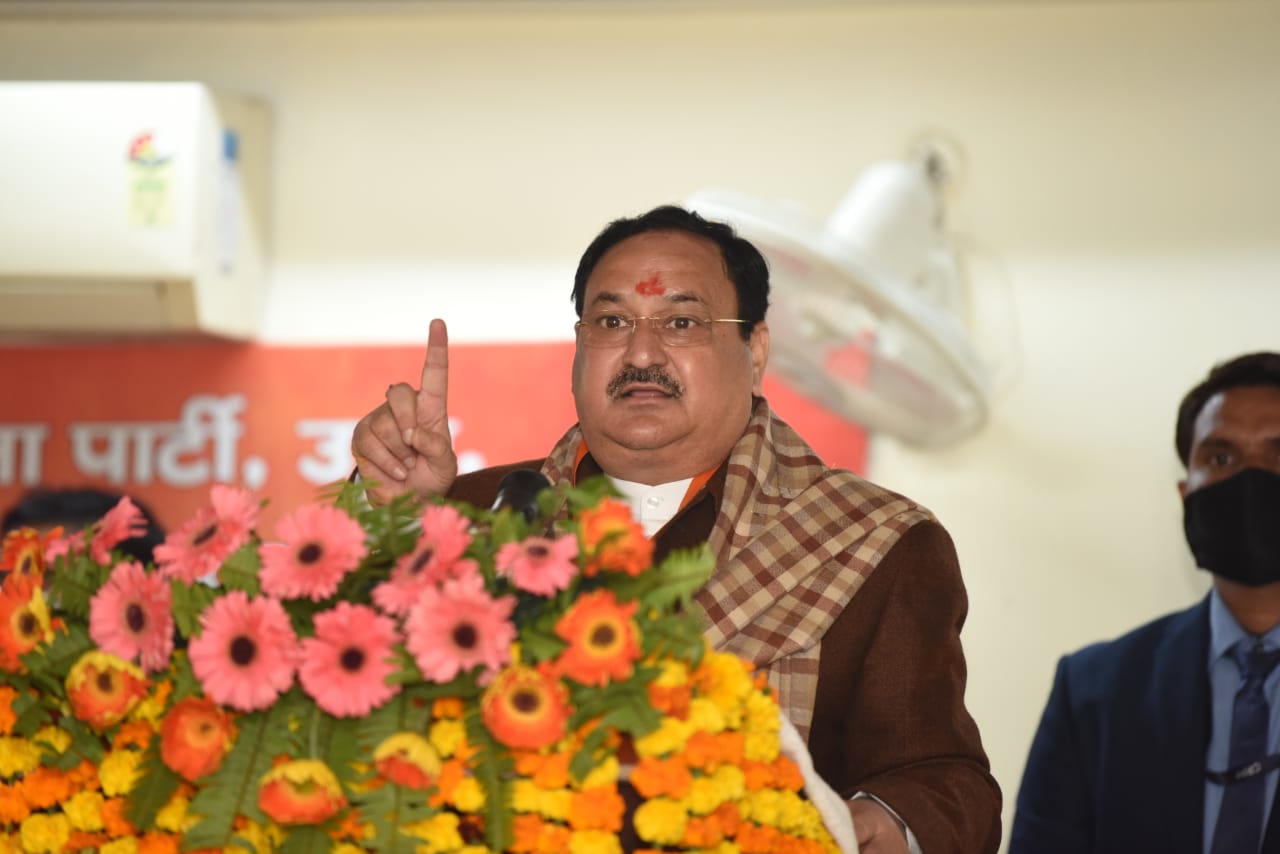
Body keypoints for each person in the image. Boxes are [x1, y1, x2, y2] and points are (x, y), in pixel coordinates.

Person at [352, 205, 1001, 853]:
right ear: (579, 348)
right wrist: (390, 519)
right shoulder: (467, 510)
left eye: (682, 322)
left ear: (755, 353)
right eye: (611, 322)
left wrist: (871, 824)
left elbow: (942, 779)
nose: (640, 353)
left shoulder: (871, 541)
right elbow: (342, 705)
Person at [1010, 351, 1280, 854]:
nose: (1252, 479)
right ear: (1186, 494)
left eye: (1278, 455)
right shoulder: (1091, 692)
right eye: (1221, 458)